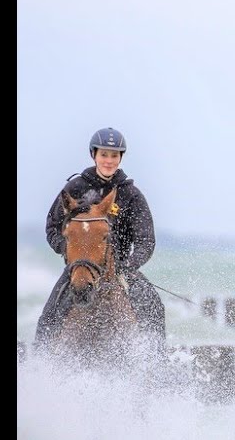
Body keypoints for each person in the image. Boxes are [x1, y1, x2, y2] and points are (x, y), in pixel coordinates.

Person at [34, 127, 166, 352]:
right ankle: (40, 359)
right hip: (79, 267)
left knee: (153, 304)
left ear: (120, 158)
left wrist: (129, 264)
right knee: (49, 315)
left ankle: (158, 359)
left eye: (114, 155)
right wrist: (67, 249)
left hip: (121, 269)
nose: (109, 160)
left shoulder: (131, 194)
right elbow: (53, 226)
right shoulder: (75, 188)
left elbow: (146, 241)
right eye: (104, 154)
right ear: (94, 155)